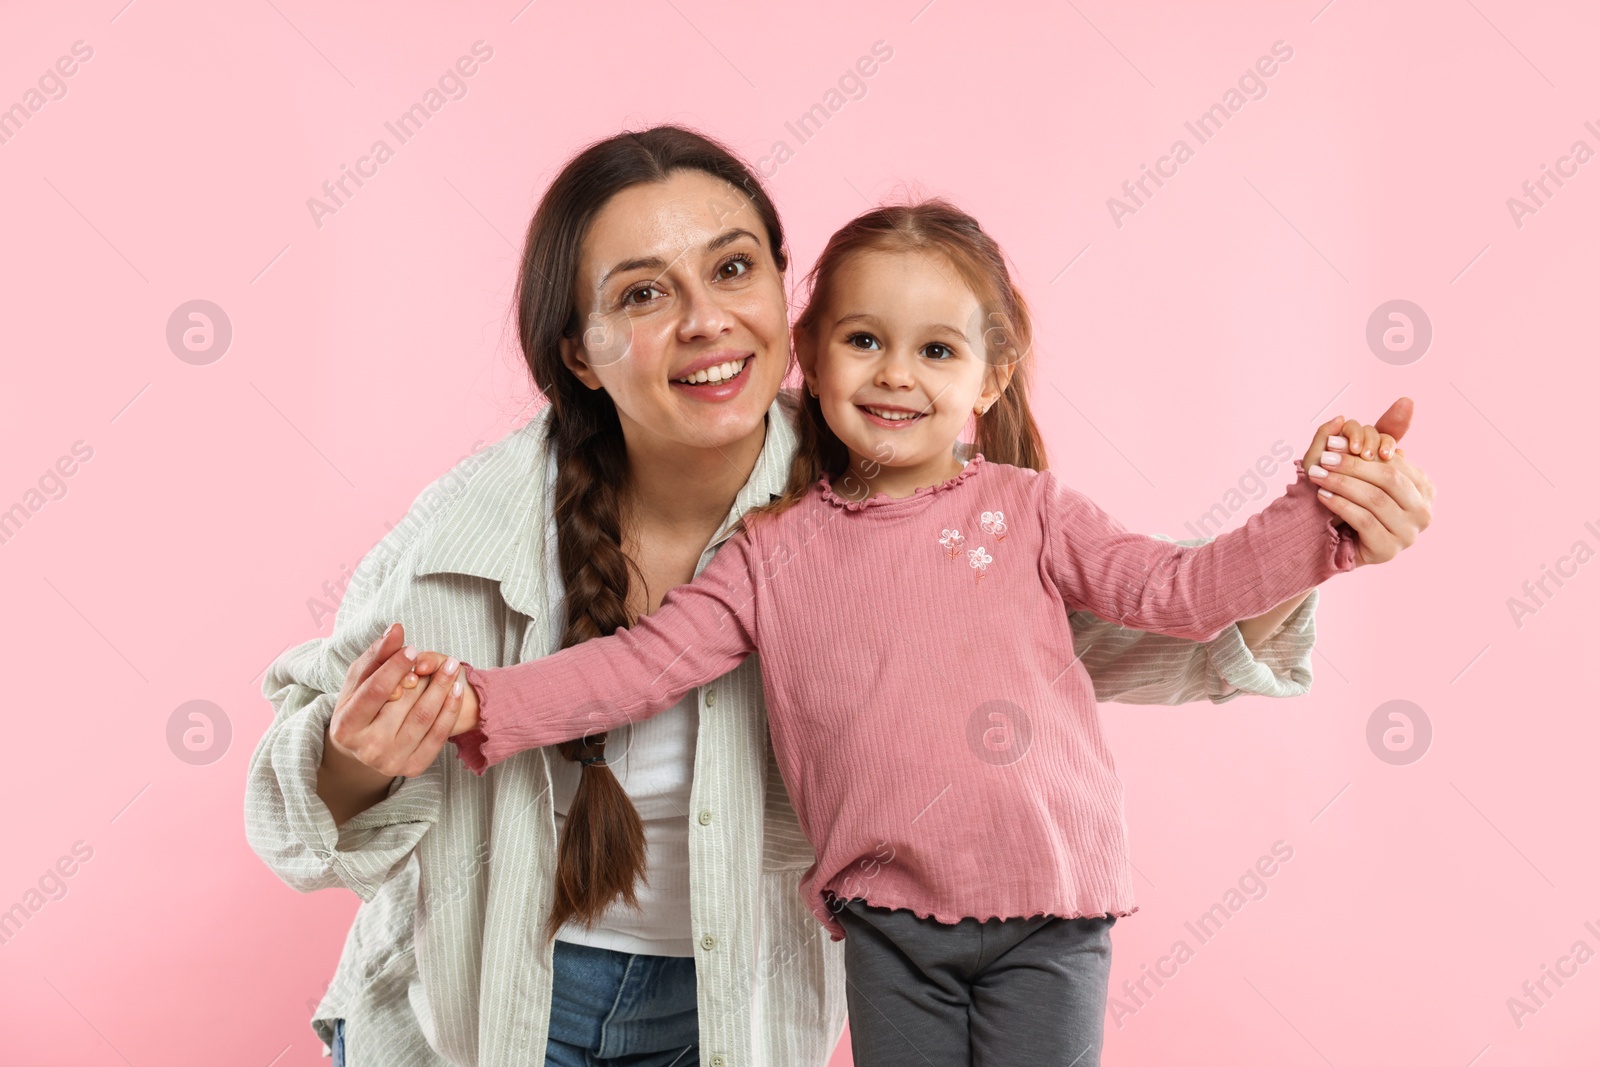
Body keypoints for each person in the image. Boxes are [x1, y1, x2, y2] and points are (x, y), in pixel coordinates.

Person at [245, 127, 1435, 1067]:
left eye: (732, 268)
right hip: (478, 1018)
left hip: (734, 1015)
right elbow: (324, 785)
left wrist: (1319, 527)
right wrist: (413, 726)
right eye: (645, 293)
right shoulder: (480, 531)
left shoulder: (946, 509)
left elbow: (1152, 618)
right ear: (579, 348)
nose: (708, 319)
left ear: (781, 302)